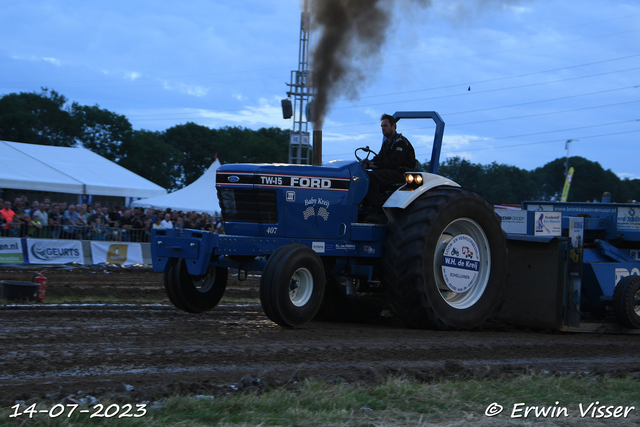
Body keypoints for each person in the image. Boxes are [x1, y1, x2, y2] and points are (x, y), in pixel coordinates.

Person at [363, 114, 417, 209]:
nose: (383, 128)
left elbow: (394, 163)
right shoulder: (386, 143)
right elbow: (378, 158)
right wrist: (368, 163)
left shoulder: (401, 143)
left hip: (401, 174)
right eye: (382, 126)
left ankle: (375, 208)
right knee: (364, 175)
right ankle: (364, 204)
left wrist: (374, 164)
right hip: (391, 173)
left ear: (393, 126)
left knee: (373, 177)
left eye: (385, 126)